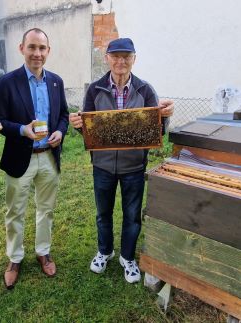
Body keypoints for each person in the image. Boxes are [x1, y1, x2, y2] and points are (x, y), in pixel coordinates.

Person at [69, 38, 174, 283]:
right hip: (102, 166)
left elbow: (156, 131)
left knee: (131, 215)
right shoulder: (95, 89)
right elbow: (89, 130)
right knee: (103, 213)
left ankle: (127, 257)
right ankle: (104, 251)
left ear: (134, 59)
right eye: (116, 56)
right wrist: (78, 126)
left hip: (134, 167)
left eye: (126, 56)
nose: (121, 61)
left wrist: (164, 117)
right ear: (107, 59)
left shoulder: (146, 90)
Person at [0, 28, 69, 289]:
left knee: (45, 210)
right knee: (15, 211)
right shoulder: (7, 82)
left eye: (42, 48)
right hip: (20, 157)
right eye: (32, 47)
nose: (37, 53)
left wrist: (60, 131)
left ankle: (43, 251)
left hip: (49, 157)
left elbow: (64, 116)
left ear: (48, 51)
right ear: (21, 48)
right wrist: (21, 130)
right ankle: (15, 258)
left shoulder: (56, 81)